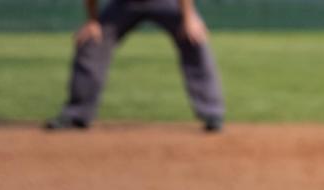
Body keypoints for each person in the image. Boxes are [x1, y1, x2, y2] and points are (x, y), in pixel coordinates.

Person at [45, 0, 225, 131]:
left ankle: (212, 112)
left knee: (194, 38)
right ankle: (77, 113)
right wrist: (92, 21)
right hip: (125, 3)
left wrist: (189, 17)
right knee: (92, 41)